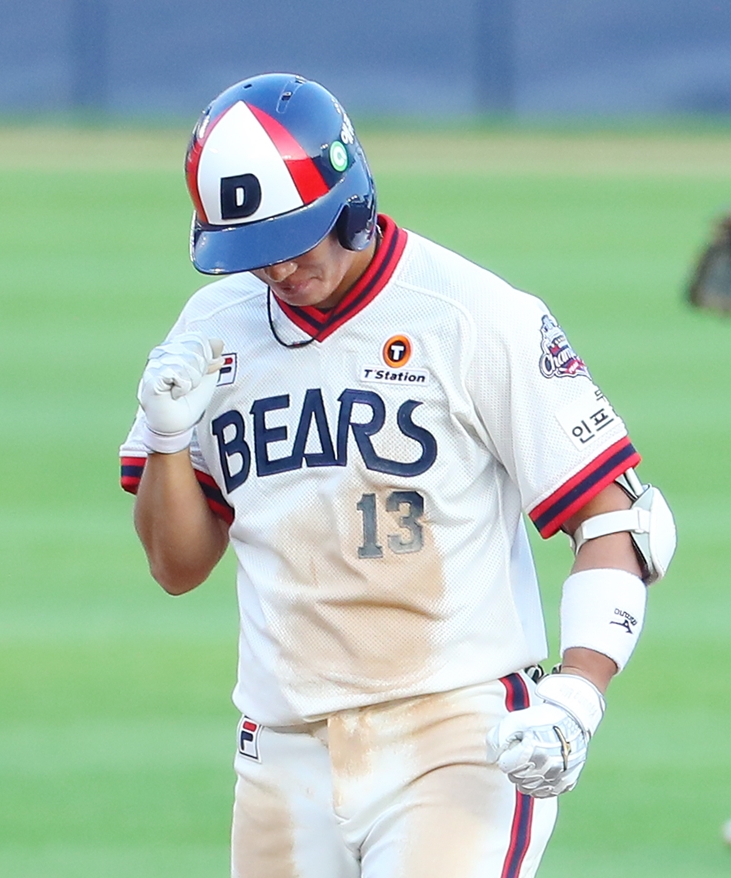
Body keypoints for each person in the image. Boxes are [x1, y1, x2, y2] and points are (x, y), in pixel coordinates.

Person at [118, 73, 676, 878]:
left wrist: (576, 697)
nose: (274, 270)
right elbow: (176, 566)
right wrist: (169, 437)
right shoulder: (213, 329)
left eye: (293, 239)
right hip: (281, 751)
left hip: (457, 737)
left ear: (351, 200)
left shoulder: (470, 314)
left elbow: (618, 521)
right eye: (252, 252)